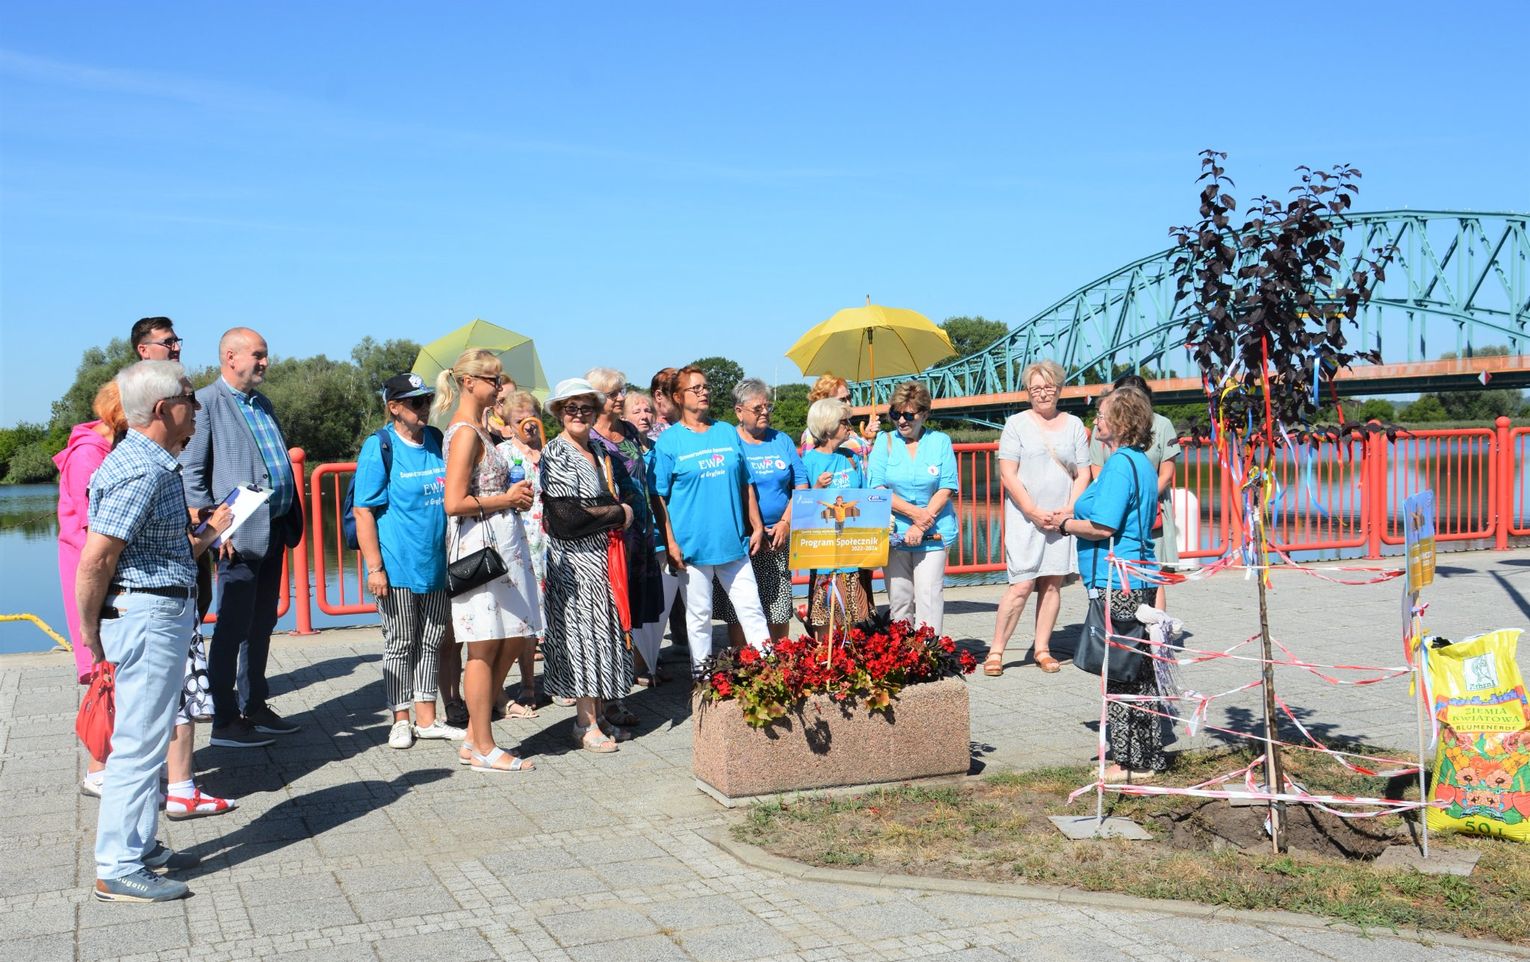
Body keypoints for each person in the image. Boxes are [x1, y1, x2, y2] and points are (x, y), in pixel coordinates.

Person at [75, 360, 232, 902]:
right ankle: (116, 866)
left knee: (148, 734)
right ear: (165, 409)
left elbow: (140, 552)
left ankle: (139, 847)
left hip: (157, 611)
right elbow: (97, 558)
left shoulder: (151, 462)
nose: (198, 406)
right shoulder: (143, 470)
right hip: (147, 615)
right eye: (190, 397)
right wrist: (90, 632)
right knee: (139, 744)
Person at [179, 327, 304, 748]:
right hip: (236, 537)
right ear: (231, 357)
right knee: (232, 627)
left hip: (274, 528)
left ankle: (255, 706)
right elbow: (192, 475)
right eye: (258, 354)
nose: (265, 362)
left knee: (262, 623)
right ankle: (225, 720)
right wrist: (214, 532)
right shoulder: (207, 403)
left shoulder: (261, 403)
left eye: (265, 354)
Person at [437, 349, 541, 773]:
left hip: (501, 542)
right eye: (492, 379)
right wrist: (507, 499)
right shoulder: (464, 433)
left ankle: (474, 736)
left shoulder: (481, 428)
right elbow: (454, 502)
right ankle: (482, 744)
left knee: (512, 635)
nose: (499, 387)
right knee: (482, 645)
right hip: (480, 546)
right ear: (468, 382)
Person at [1056, 388, 1165, 780]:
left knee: (1118, 671)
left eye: (1101, 415)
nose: (1095, 421)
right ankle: (1147, 757)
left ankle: (1124, 760)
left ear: (1120, 422)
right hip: (1138, 575)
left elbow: (1104, 526)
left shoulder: (1119, 465)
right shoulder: (1141, 461)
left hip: (1117, 581)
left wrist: (1066, 525)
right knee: (1139, 672)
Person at [353, 373, 462, 749]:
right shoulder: (379, 446)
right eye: (416, 402)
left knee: (432, 639)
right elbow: (363, 511)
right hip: (398, 563)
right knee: (401, 641)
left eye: (426, 400)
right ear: (394, 407)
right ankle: (400, 719)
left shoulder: (435, 439)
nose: (424, 408)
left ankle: (427, 718)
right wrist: (375, 568)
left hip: (436, 562)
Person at [539, 377, 641, 751]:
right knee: (582, 638)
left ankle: (598, 715)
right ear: (558, 413)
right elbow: (567, 516)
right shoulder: (556, 452)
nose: (579, 414)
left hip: (602, 558)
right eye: (571, 408)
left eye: (586, 408)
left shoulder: (597, 450)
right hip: (573, 563)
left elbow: (596, 504)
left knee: (602, 637)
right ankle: (584, 723)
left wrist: (609, 510)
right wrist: (619, 513)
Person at [650, 365, 770, 673]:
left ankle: (770, 674)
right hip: (692, 547)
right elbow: (658, 495)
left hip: (733, 542)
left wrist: (757, 525)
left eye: (706, 387)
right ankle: (702, 679)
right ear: (678, 397)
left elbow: (745, 481)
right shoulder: (669, 442)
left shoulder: (726, 431)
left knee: (752, 609)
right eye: (696, 388)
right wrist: (670, 542)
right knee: (699, 616)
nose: (703, 392)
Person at [987, 360, 1090, 675]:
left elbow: (1083, 473)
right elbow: (1008, 474)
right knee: (1021, 584)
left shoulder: (1074, 424)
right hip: (1025, 517)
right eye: (1036, 388)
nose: (1043, 393)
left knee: (1052, 583)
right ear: (1028, 392)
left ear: (1059, 389)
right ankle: (996, 650)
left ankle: (1042, 649)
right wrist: (1032, 510)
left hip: (1061, 519)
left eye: (1048, 387)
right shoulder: (1016, 424)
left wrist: (1069, 509)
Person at [57, 383, 126, 795]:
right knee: (105, 670)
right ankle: (100, 768)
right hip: (92, 573)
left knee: (113, 670)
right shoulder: (88, 455)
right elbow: (94, 526)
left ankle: (114, 763)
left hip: (102, 569)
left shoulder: (105, 449)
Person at [587, 368, 663, 714]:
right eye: (614, 393)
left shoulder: (629, 431)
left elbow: (647, 485)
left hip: (641, 537)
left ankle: (623, 686)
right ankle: (608, 698)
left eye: (622, 391)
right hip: (612, 541)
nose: (621, 397)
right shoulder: (589, 438)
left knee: (631, 616)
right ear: (596, 399)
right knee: (612, 618)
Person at [716, 379, 807, 642]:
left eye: (768, 407)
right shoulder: (730, 442)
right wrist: (752, 528)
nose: (765, 412)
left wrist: (785, 524)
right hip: (743, 538)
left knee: (779, 607)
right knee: (741, 608)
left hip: (779, 535)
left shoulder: (782, 440)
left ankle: (780, 658)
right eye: (758, 408)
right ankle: (744, 659)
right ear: (739, 411)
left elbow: (801, 484)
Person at [868, 381, 959, 636]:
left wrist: (921, 523)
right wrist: (914, 515)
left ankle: (929, 651)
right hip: (895, 534)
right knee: (900, 599)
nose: (901, 421)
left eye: (908, 415)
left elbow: (947, 486)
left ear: (924, 414)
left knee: (929, 596)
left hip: (934, 533)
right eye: (895, 414)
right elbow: (877, 487)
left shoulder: (940, 441)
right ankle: (902, 651)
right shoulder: (884, 441)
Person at [1089, 373, 1181, 609]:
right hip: (1114, 507)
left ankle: (1156, 626)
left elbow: (1166, 473)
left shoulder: (1162, 425)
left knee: (1151, 570)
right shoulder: (1101, 427)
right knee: (1118, 568)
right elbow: (1097, 470)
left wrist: (1141, 498)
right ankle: (1124, 619)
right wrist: (1115, 500)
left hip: (1151, 506)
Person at [495, 388, 549, 715]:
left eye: (533, 417)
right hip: (520, 541)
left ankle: (558, 678)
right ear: (509, 426)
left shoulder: (552, 451)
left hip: (553, 541)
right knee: (526, 616)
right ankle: (527, 684)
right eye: (520, 420)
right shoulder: (502, 454)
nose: (529, 425)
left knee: (555, 611)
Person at [800, 398, 870, 636]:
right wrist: (817, 488)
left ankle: (850, 656)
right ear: (828, 425)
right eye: (844, 422)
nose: (849, 426)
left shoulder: (851, 458)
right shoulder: (808, 462)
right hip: (824, 554)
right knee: (824, 618)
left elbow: (865, 498)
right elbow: (801, 509)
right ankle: (825, 656)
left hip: (852, 552)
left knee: (854, 617)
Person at [799, 374, 878, 457]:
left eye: (849, 397)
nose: (849, 403)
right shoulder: (812, 434)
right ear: (825, 402)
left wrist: (867, 436)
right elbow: (811, 462)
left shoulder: (846, 425)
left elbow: (862, 451)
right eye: (842, 399)